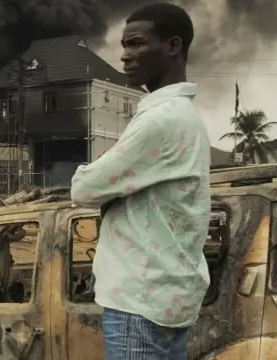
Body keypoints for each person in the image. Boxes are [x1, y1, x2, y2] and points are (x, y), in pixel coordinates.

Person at [70, 3, 210, 359]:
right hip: (164, 298)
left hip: (139, 304)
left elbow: (84, 188)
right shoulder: (184, 117)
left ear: (173, 46)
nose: (125, 56)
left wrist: (99, 165)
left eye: (135, 44)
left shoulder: (158, 122)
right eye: (124, 46)